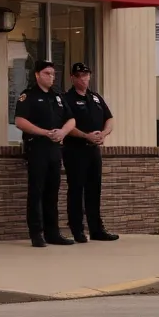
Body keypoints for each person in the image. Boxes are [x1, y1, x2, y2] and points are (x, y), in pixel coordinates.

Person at [13, 59, 76, 247]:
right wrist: (44, 132)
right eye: (47, 73)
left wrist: (63, 132)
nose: (51, 77)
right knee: (37, 191)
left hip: (55, 149)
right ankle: (36, 233)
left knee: (52, 191)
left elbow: (71, 119)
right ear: (37, 75)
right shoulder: (29, 96)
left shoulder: (57, 96)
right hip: (37, 147)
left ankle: (53, 232)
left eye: (53, 74)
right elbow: (19, 121)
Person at [62, 62, 120, 243]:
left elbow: (109, 119)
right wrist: (86, 136)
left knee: (94, 190)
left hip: (94, 150)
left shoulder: (95, 98)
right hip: (75, 150)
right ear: (72, 78)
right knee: (76, 190)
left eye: (86, 75)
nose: (84, 78)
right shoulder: (67, 99)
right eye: (79, 75)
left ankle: (96, 229)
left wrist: (103, 134)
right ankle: (77, 229)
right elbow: (66, 126)